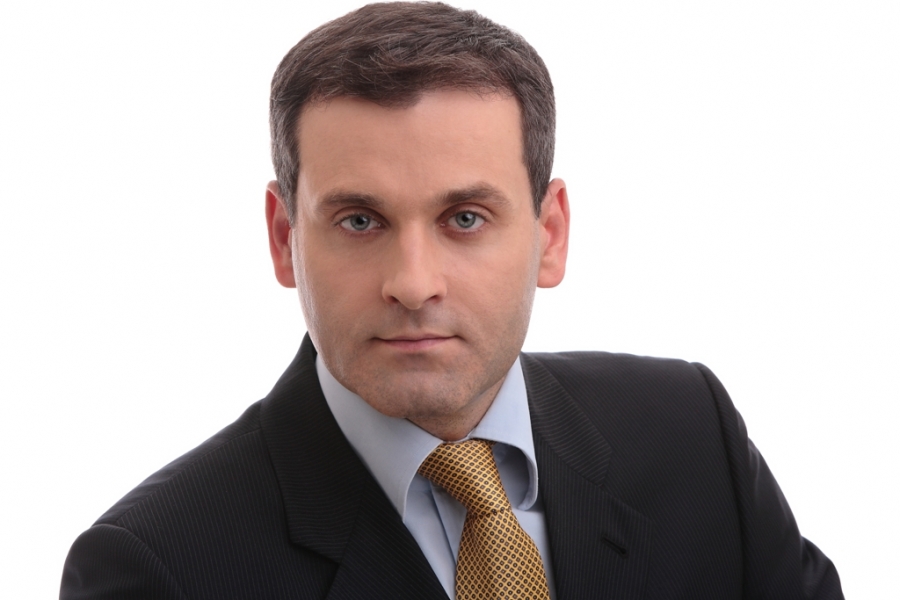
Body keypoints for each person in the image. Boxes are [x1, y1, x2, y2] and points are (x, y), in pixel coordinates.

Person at [60, 2, 843, 599]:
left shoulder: (693, 436)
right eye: (359, 220)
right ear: (282, 238)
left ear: (550, 234)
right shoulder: (157, 568)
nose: (413, 282)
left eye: (464, 218)